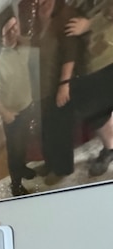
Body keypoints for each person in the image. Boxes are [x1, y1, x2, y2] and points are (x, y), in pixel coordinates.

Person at [32, 0, 84, 183]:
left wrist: (65, 84)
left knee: (60, 127)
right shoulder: (38, 17)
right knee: (46, 129)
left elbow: (71, 52)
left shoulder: (66, 13)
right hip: (42, 88)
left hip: (58, 83)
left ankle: (62, 168)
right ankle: (50, 163)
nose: (39, 3)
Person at [0, 10, 38, 196]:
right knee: (14, 151)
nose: (14, 32)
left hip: (28, 106)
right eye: (8, 31)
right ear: (2, 37)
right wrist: (6, 114)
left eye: (15, 27)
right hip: (12, 116)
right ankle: (15, 185)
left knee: (24, 144)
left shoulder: (25, 47)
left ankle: (23, 168)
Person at [65, 0, 113, 176]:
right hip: (89, 61)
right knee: (91, 107)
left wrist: (90, 24)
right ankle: (110, 147)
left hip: (108, 53)